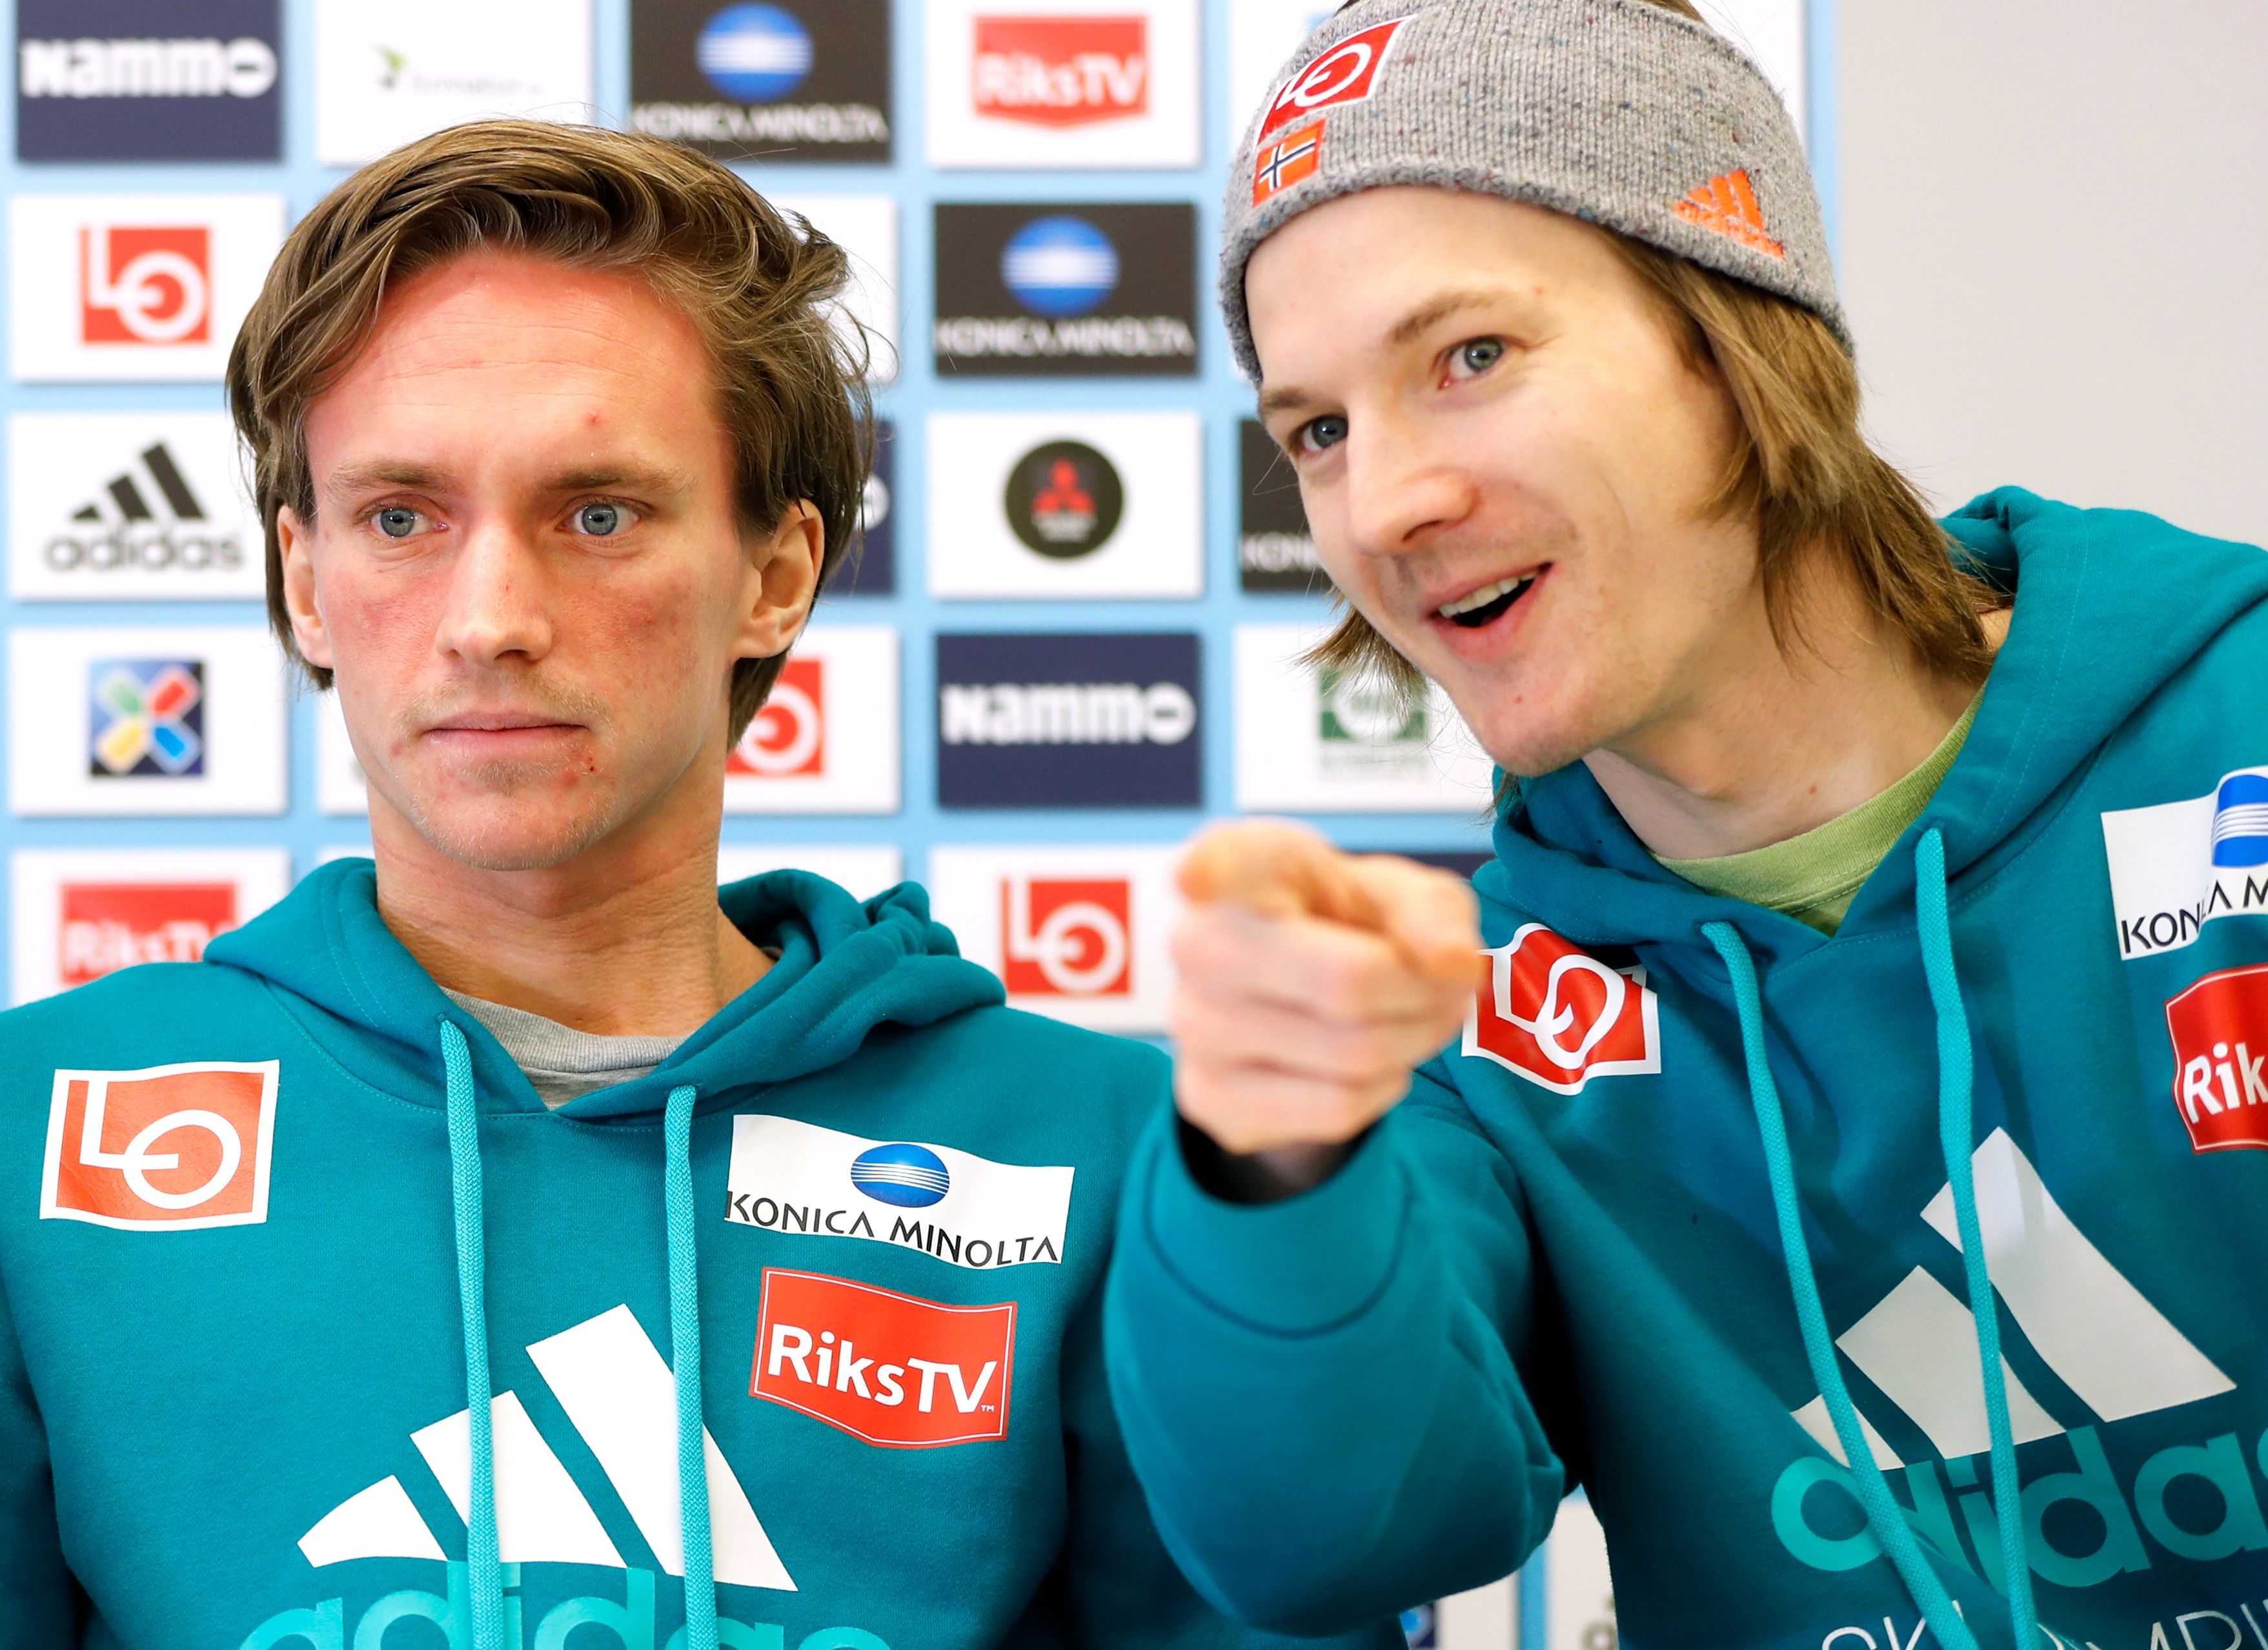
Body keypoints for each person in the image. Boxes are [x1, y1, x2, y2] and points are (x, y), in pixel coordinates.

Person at [0, 120, 1398, 1650]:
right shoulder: (35, 1123)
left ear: (775, 575)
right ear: (303, 578)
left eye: (597, 514)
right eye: (400, 518)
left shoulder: (1100, 1148)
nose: (490, 617)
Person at [1104, 0, 2268, 1650]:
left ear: (1735, 336)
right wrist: (1266, 1167)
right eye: (1319, 431)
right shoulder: (1471, 1022)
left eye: (1471, 353)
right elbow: (1323, 1540)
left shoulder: (2234, 736)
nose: (1387, 501)